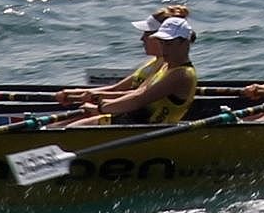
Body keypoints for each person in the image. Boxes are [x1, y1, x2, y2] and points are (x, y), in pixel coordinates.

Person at [56, 10, 199, 128]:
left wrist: (100, 107)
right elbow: (138, 92)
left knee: (69, 130)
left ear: (184, 44)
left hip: (144, 129)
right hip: (132, 121)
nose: (164, 49)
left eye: (169, 44)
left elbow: (138, 100)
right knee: (61, 127)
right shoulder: (165, 66)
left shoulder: (182, 74)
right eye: (162, 43)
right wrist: (99, 100)